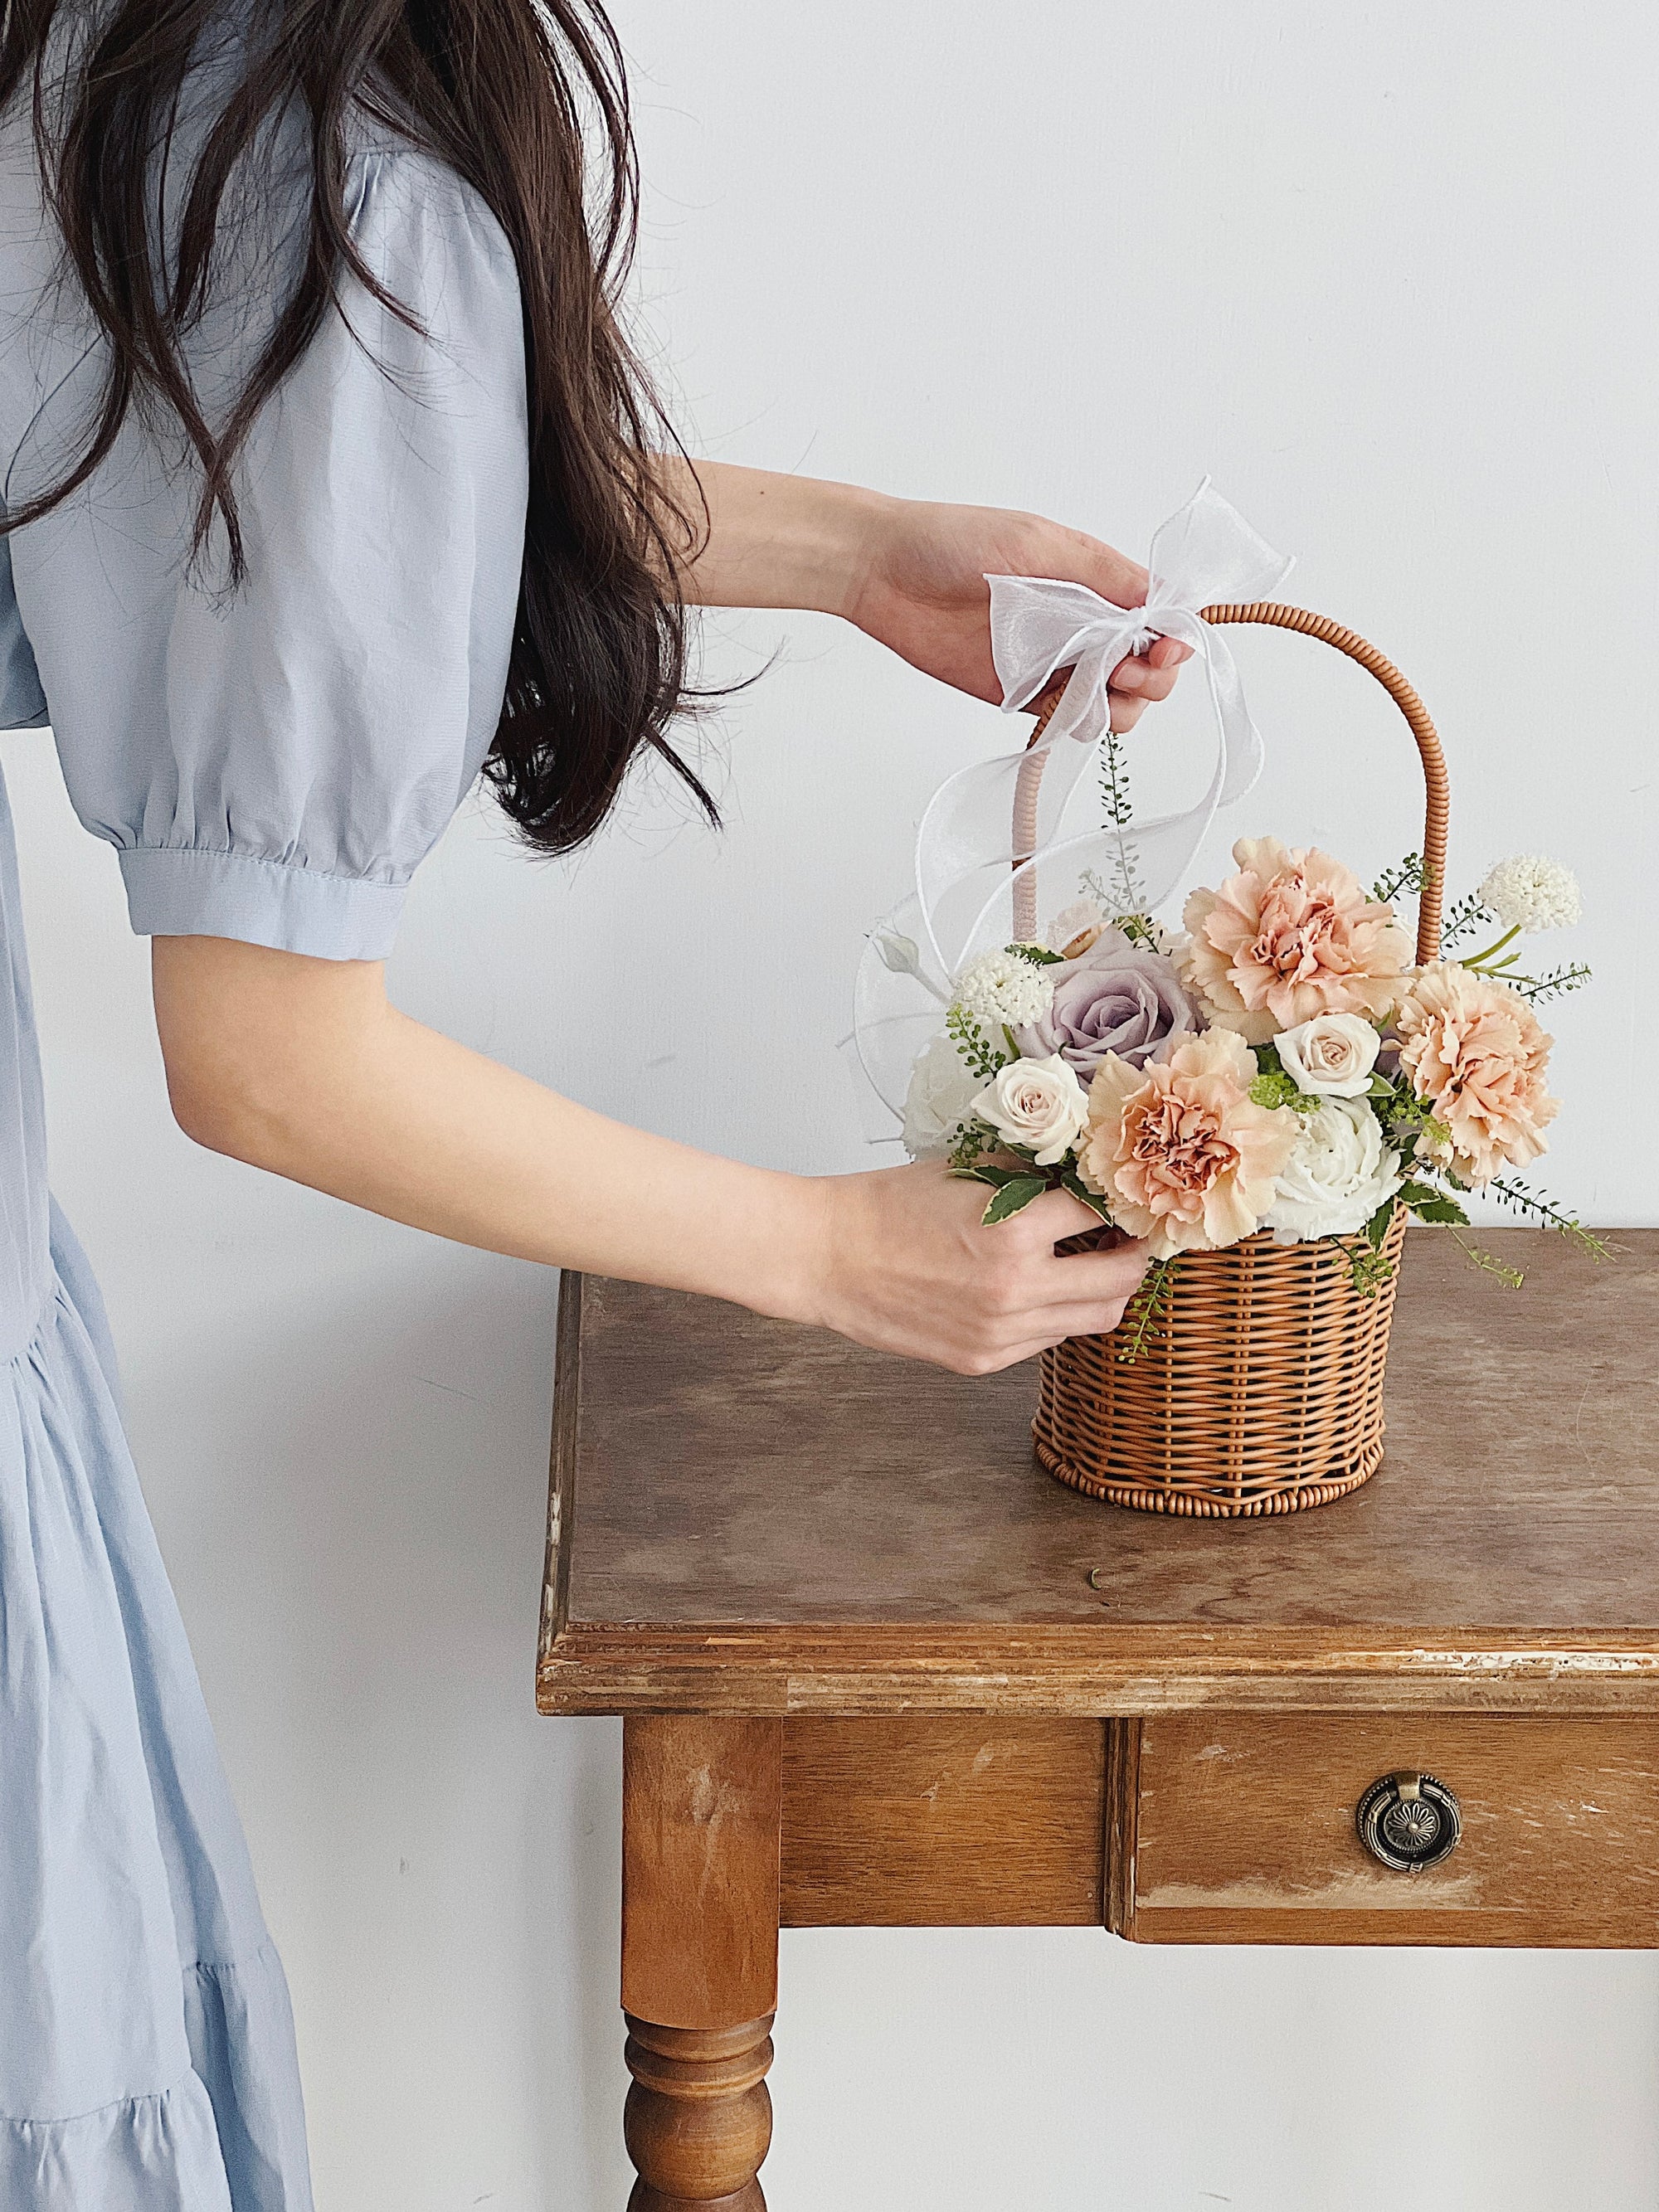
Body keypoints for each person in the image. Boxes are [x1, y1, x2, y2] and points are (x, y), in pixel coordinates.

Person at [0, 2, 1188, 2203]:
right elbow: (263, 1056)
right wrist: (837, 1252)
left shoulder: (145, 70)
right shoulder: (296, 157)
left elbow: (216, 449)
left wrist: (849, 550)